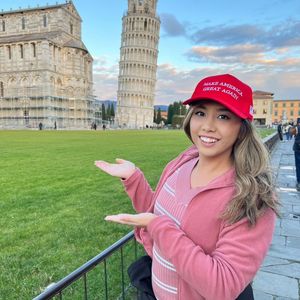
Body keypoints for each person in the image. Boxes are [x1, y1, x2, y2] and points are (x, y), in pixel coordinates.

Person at [95, 74, 280, 300]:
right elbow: (157, 213)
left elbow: (222, 286)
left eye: (223, 116)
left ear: (242, 127)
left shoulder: (252, 196)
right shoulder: (182, 162)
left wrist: (158, 226)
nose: (208, 126)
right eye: (200, 113)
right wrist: (133, 178)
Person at [292, 120, 300, 191]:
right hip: (297, 148)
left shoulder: (297, 128)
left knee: (298, 166)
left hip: (298, 148)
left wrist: (294, 125)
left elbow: (291, 132)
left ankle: (299, 182)